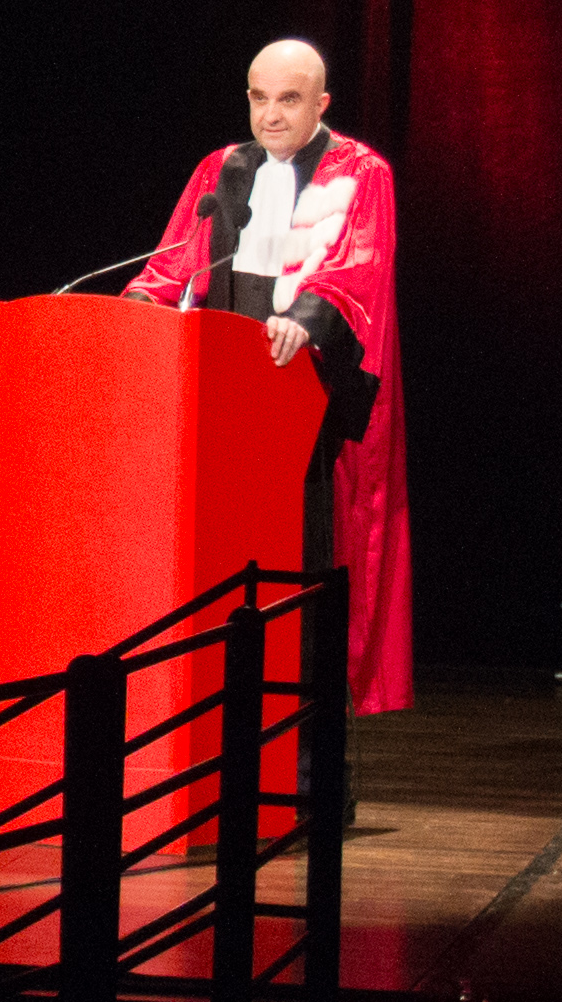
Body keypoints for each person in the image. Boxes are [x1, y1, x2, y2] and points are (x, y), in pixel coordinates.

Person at [126, 36, 412, 712]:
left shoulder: (359, 171)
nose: (271, 115)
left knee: (301, 567)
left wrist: (305, 319)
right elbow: (176, 260)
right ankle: (223, 726)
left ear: (322, 103)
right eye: (260, 98)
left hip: (305, 393)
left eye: (289, 99)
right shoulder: (221, 168)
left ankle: (306, 749)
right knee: (226, 565)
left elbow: (358, 266)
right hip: (225, 391)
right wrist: (139, 306)